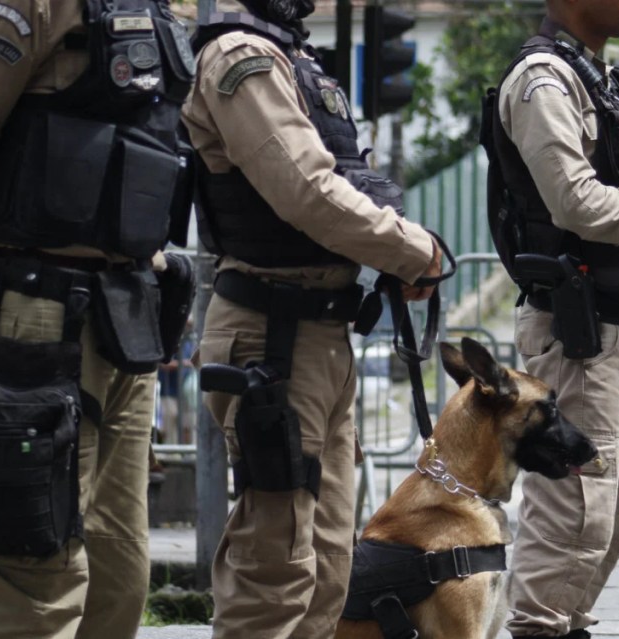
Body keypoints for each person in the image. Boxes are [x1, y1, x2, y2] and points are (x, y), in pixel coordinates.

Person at [0, 1, 195, 637]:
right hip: (38, 311)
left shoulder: (152, 9)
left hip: (125, 312)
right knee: (32, 575)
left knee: (117, 577)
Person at [183, 1, 443, 636]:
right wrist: (414, 251)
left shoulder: (295, 60)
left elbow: (349, 182)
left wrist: (394, 255)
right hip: (271, 336)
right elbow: (307, 189)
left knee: (327, 570)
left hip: (320, 334)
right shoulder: (240, 57)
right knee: (275, 568)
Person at [483, 1, 619, 637]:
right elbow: (575, 200)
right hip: (576, 327)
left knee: (605, 522)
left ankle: (562, 625)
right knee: (574, 513)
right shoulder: (544, 80)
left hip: (613, 320)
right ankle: (540, 628)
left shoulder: (596, 77)